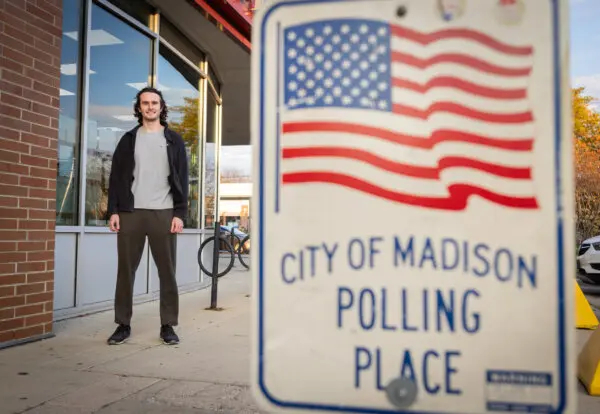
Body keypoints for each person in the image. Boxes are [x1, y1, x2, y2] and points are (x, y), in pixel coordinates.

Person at [106, 86, 189, 345]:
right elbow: (116, 177)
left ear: (162, 107)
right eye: (145, 103)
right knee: (126, 272)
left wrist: (180, 213)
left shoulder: (174, 140)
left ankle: (168, 325)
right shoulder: (129, 139)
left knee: (167, 272)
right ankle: (123, 324)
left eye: (155, 102)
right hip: (131, 212)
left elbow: (183, 179)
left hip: (163, 213)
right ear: (139, 107)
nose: (150, 107)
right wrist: (113, 211)